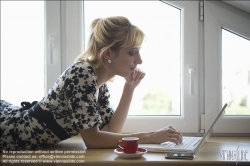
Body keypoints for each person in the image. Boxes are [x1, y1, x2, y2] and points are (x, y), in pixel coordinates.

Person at [0, 16, 182, 150]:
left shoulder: (98, 84)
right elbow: (93, 140)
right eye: (132, 53)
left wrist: (129, 88)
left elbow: (112, 130)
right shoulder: (82, 73)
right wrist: (150, 136)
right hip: (8, 131)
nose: (140, 60)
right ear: (108, 54)